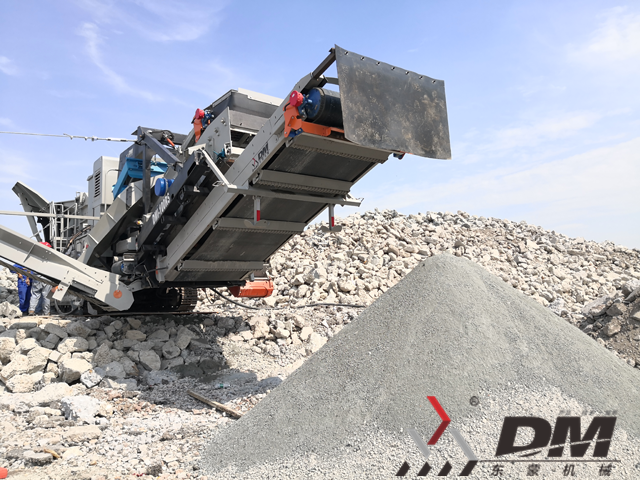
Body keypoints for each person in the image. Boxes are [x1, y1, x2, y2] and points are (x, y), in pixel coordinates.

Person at [28, 242, 53, 316]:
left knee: (35, 295)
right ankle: (46, 312)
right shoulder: (50, 257)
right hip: (46, 279)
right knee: (46, 296)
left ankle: (31, 311)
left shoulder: (35, 256)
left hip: (36, 278)